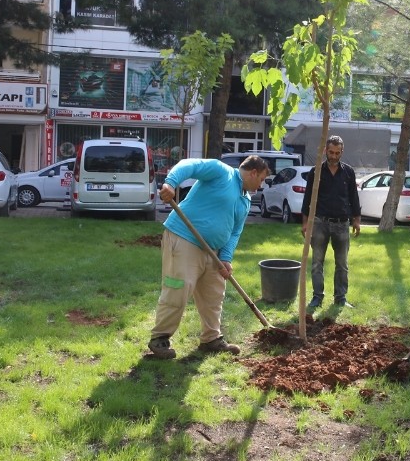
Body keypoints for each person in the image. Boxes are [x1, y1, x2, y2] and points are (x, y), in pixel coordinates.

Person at [147, 155, 271, 359]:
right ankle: (160, 338)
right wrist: (171, 183)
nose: (261, 184)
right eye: (262, 179)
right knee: (179, 287)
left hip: (213, 251)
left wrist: (226, 258)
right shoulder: (221, 172)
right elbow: (190, 165)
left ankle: (211, 339)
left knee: (214, 295)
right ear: (253, 172)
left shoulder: (245, 200)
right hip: (184, 238)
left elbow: (235, 232)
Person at [301, 135, 361, 308]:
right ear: (325, 151)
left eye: (337, 153)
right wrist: (305, 222)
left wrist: (356, 220)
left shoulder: (348, 172)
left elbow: (354, 197)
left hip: (342, 224)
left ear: (342, 152)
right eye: (331, 152)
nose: (334, 156)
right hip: (320, 223)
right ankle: (317, 297)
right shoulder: (316, 172)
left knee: (342, 264)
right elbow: (308, 198)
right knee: (316, 263)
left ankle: (340, 298)